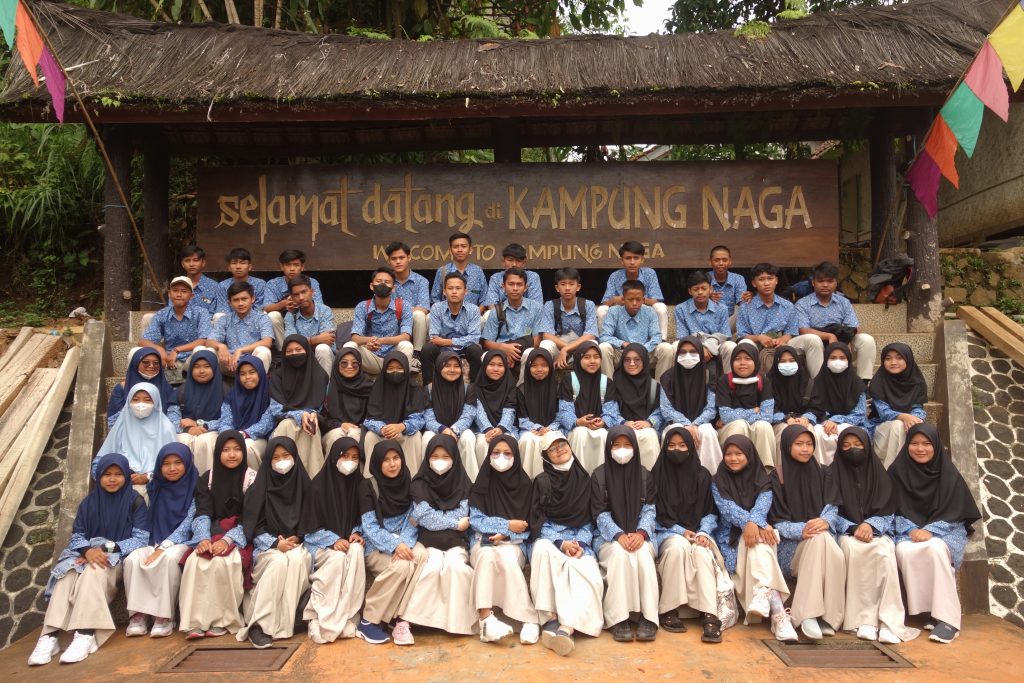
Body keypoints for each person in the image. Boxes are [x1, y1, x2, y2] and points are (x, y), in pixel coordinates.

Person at [28, 453, 149, 666]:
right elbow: (77, 535)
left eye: (118, 474)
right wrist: (87, 551)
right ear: (99, 476)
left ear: (126, 476)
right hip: (86, 555)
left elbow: (141, 538)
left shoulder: (135, 501)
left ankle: (85, 633)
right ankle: (49, 636)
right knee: (67, 574)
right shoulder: (88, 503)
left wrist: (103, 549)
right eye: (107, 474)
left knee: (94, 571)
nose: (112, 479)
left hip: (117, 558)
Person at [889, 424, 981, 644]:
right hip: (907, 531)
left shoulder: (948, 474)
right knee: (904, 551)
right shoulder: (896, 472)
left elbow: (957, 513)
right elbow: (887, 509)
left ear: (936, 446)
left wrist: (930, 530)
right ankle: (931, 612)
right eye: (914, 443)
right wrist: (911, 529)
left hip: (945, 531)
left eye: (926, 444)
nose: (920, 449)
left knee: (935, 549)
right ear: (907, 445)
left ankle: (949, 620)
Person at [831, 427, 919, 644]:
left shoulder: (881, 475)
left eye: (858, 444)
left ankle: (889, 621)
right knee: (852, 550)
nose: (852, 449)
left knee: (884, 552)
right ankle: (864, 621)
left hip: (877, 533)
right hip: (847, 533)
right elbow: (830, 511)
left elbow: (890, 509)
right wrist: (853, 527)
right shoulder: (832, 475)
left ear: (867, 446)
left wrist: (871, 525)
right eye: (846, 446)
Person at [710, 436, 796, 641]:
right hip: (729, 538)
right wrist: (755, 524)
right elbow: (727, 509)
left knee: (759, 543)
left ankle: (765, 597)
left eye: (739, 454)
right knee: (760, 542)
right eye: (728, 454)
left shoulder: (763, 478)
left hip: (755, 534)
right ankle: (778, 614)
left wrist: (754, 524)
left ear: (749, 455)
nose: (733, 458)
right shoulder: (718, 480)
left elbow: (763, 504)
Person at [528, 434, 604, 656]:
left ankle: (566, 628)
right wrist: (561, 543)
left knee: (585, 569)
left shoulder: (585, 479)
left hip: (579, 539)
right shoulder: (542, 482)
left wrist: (579, 543)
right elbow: (537, 521)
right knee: (541, 550)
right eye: (552, 449)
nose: (559, 449)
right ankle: (551, 618)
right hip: (551, 538)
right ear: (546, 456)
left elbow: (591, 520)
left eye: (562, 444)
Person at [769, 425, 846, 641]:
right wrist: (802, 529)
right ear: (787, 446)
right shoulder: (776, 477)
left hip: (820, 540)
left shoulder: (824, 472)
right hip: (790, 549)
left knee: (822, 539)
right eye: (799, 444)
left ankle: (811, 615)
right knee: (823, 542)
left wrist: (824, 521)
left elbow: (832, 506)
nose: (805, 449)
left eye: (809, 444)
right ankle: (822, 616)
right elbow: (776, 521)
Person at [178, 431, 257, 639]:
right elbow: (202, 511)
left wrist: (227, 540)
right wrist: (203, 538)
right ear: (217, 453)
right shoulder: (208, 478)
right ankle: (195, 622)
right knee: (196, 561)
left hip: (240, 535)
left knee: (225, 562)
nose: (232, 454)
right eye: (226, 450)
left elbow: (251, 517)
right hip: (212, 532)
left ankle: (222, 620)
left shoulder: (252, 479)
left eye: (237, 449)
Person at [653, 428, 726, 643]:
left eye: (682, 445)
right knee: (678, 548)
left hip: (699, 531)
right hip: (666, 531)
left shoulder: (702, 475)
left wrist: (703, 532)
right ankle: (669, 609)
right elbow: (653, 516)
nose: (677, 450)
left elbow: (711, 511)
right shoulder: (655, 476)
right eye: (671, 446)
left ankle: (709, 614)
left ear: (691, 448)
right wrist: (680, 531)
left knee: (702, 553)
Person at [237, 437, 312, 649]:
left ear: (295, 457)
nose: (281, 461)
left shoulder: (305, 485)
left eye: (286, 456)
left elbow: (312, 519)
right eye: (276, 457)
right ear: (268, 461)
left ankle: (284, 624)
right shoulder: (258, 488)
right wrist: (274, 544)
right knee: (278, 562)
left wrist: (299, 536)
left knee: (297, 560)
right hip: (266, 547)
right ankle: (258, 625)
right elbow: (252, 526)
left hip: (296, 544)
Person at [401, 434, 478, 637]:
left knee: (457, 569)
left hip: (457, 543)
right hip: (428, 542)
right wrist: (455, 523)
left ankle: (457, 623)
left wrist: (439, 518)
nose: (440, 461)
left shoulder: (464, 482)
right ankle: (412, 621)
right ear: (427, 458)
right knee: (431, 568)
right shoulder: (418, 484)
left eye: (445, 456)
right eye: (434, 456)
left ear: (454, 458)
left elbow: (464, 513)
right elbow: (425, 518)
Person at [469, 436, 541, 644]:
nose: (501, 457)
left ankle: (528, 619)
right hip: (483, 540)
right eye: (496, 453)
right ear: (489, 455)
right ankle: (486, 620)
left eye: (507, 453)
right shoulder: (481, 483)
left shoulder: (526, 485)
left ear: (516, 456)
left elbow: (529, 525)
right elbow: (476, 520)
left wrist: (508, 534)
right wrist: (506, 525)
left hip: (514, 543)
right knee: (486, 555)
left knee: (507, 559)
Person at [591, 426, 659, 642]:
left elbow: (650, 509)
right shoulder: (599, 475)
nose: (622, 450)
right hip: (607, 538)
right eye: (617, 445)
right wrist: (618, 535)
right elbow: (599, 512)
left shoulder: (645, 475)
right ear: (609, 448)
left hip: (641, 535)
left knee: (643, 556)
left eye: (627, 445)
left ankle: (648, 617)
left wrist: (640, 533)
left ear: (635, 448)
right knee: (620, 555)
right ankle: (618, 619)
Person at [123, 443, 198, 638]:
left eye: (178, 463)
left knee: (168, 559)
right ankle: (138, 615)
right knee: (132, 559)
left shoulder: (196, 487)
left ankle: (164, 616)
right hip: (153, 538)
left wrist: (164, 546)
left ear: (187, 463)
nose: (172, 468)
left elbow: (188, 524)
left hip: (183, 542)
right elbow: (149, 477)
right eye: (166, 464)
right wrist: (156, 546)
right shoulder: (156, 486)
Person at [356, 441, 426, 646]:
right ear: (378, 463)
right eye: (386, 460)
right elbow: (369, 526)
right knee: (402, 566)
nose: (393, 464)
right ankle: (368, 620)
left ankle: (400, 618)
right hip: (376, 544)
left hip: (405, 537)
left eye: (396, 458)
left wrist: (403, 543)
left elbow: (413, 518)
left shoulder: (408, 481)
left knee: (422, 555)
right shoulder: (368, 486)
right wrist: (395, 546)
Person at [298, 438, 368, 643]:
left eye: (355, 458)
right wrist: (333, 540)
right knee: (337, 559)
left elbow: (364, 517)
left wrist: (356, 532)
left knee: (356, 551)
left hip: (347, 542)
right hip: (320, 544)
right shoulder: (318, 486)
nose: (350, 462)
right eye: (345, 456)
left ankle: (348, 616)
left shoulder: (359, 484)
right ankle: (319, 616)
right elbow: (309, 529)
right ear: (334, 457)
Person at [726, 263, 822, 377]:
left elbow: (791, 331)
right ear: (754, 283)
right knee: (744, 343)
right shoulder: (746, 307)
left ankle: (818, 381)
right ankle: (747, 384)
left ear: (776, 280)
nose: (766, 283)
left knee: (813, 339)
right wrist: (759, 338)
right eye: (761, 279)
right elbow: (742, 335)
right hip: (756, 343)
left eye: (770, 278)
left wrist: (783, 339)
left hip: (783, 342)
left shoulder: (787, 305)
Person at [795, 261, 876, 381]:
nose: (825, 285)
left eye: (829, 281)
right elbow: (803, 330)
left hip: (841, 342)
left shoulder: (844, 302)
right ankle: (819, 384)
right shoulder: (802, 304)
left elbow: (854, 327)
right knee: (813, 339)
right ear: (813, 282)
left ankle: (863, 382)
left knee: (866, 339)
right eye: (820, 281)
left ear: (836, 282)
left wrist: (845, 340)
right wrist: (830, 336)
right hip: (814, 347)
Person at [96, 383, 178, 497]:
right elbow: (99, 462)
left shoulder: (166, 428)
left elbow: (174, 465)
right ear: (128, 402)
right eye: (135, 400)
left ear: (156, 402)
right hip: (122, 478)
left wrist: (148, 477)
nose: (141, 404)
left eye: (147, 400)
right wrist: (120, 477)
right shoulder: (121, 425)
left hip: (158, 481)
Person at [659, 336, 723, 473]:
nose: (687, 356)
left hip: (702, 422)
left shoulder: (708, 375)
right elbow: (666, 409)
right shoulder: (667, 377)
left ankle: (710, 478)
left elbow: (711, 408)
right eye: (683, 352)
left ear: (700, 353)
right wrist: (687, 424)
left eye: (693, 352)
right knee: (675, 431)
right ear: (677, 354)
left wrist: (695, 424)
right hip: (675, 422)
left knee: (706, 432)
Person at [269, 335, 328, 475]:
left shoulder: (319, 375)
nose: (294, 354)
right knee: (289, 424)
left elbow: (321, 408)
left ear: (307, 350)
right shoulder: (277, 377)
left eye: (298, 349)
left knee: (311, 425)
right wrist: (299, 415)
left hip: (313, 423)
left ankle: (312, 480)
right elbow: (276, 409)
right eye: (289, 351)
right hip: (284, 423)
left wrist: (311, 415)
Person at [716, 341, 778, 469]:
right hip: (731, 429)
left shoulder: (763, 381)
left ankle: (765, 471)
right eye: (737, 359)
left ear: (755, 361)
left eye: (748, 359)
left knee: (764, 426)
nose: (742, 363)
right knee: (740, 424)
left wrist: (736, 415)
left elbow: (767, 416)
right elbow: (726, 416)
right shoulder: (724, 381)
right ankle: (733, 469)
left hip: (755, 427)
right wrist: (753, 411)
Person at [137, 276, 212, 380]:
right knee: (135, 352)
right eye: (175, 290)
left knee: (201, 350)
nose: (179, 294)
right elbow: (143, 341)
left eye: (184, 291)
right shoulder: (162, 314)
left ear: (192, 296)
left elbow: (204, 340)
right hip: (168, 359)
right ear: (169, 294)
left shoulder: (201, 313)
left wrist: (177, 350)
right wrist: (159, 349)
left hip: (192, 360)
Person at [213, 356, 281, 469]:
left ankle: (254, 480)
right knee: (213, 443)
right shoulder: (232, 395)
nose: (247, 377)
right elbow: (225, 420)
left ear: (260, 373)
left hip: (260, 438)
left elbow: (266, 423)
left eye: (252, 372)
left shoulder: (270, 393)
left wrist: (244, 434)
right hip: (234, 436)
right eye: (242, 374)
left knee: (247, 447)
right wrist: (230, 436)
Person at [363, 351, 426, 472]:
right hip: (382, 433)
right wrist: (383, 429)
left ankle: (413, 479)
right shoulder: (378, 388)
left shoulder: (414, 389)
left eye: (399, 368)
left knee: (416, 436)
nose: (395, 372)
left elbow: (419, 418)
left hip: (405, 433)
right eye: (390, 369)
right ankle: (371, 480)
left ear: (406, 369)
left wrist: (402, 426)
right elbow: (369, 418)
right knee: (370, 436)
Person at [557, 341, 615, 473]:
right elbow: (564, 411)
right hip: (575, 428)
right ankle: (579, 478)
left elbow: (612, 411)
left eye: (596, 357)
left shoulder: (606, 382)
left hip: (599, 427)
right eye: (587, 357)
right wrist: (578, 422)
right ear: (579, 359)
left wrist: (603, 422)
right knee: (581, 433)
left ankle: (600, 480)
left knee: (602, 435)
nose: (592, 361)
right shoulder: (569, 380)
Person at [345, 266, 415, 375]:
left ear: (393, 288)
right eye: (378, 281)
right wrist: (369, 340)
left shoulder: (404, 306)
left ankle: (401, 380)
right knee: (349, 346)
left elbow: (406, 336)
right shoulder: (362, 306)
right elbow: (355, 337)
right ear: (371, 286)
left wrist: (381, 341)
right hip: (371, 357)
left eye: (387, 282)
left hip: (395, 359)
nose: (382, 284)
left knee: (406, 345)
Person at [597, 280, 673, 379]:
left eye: (638, 299)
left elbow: (657, 336)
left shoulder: (650, 312)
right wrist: (624, 344)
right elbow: (604, 336)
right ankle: (608, 385)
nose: (634, 303)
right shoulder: (613, 312)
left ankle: (661, 387)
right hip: (622, 353)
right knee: (603, 347)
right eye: (630, 299)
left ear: (643, 299)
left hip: (645, 352)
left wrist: (642, 349)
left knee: (666, 348)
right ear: (623, 299)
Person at [869, 342, 928, 468]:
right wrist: (904, 417)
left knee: (913, 426)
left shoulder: (917, 381)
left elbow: (918, 408)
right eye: (888, 358)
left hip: (906, 426)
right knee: (898, 425)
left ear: (908, 359)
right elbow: (883, 412)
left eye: (899, 358)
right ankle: (893, 471)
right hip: (880, 428)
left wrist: (915, 419)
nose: (893, 362)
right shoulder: (878, 381)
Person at [809, 342, 868, 465]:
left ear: (848, 360)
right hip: (823, 423)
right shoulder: (818, 383)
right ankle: (822, 471)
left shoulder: (857, 384)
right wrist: (827, 422)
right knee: (818, 432)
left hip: (852, 423)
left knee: (846, 431)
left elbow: (860, 414)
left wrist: (836, 420)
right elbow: (815, 408)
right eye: (833, 358)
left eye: (842, 358)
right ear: (826, 360)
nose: (837, 361)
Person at [421, 271, 483, 385]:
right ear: (444, 291)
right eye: (450, 288)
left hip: (465, 348)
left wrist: (447, 341)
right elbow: (434, 337)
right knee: (427, 349)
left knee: (476, 350)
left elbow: (474, 338)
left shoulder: (473, 309)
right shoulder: (437, 308)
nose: (454, 292)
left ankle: (475, 389)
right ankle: (428, 387)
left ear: (465, 291)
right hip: (442, 349)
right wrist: (447, 343)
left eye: (458, 288)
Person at [606, 344, 663, 468]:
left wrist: (649, 422)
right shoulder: (614, 385)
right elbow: (610, 410)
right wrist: (623, 422)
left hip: (646, 428)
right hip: (621, 428)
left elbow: (660, 411)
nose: (632, 363)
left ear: (644, 361)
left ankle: (650, 478)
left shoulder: (654, 386)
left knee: (649, 435)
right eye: (627, 360)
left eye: (637, 359)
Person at [422, 350, 477, 476]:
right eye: (447, 366)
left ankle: (470, 480)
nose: (452, 370)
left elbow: (468, 415)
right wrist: (442, 429)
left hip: (460, 429)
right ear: (438, 367)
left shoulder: (468, 388)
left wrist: (453, 430)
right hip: (436, 429)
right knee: (427, 438)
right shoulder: (429, 389)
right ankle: (426, 480)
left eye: (456, 366)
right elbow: (428, 418)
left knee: (468, 437)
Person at [481, 267, 542, 379]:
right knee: (485, 356)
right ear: (503, 286)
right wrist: (503, 348)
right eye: (511, 284)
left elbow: (537, 339)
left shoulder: (536, 308)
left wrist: (515, 354)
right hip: (502, 349)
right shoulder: (496, 311)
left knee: (529, 353)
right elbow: (487, 342)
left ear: (525, 287)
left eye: (519, 284)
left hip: (525, 349)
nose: (515, 288)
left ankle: (522, 387)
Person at [466, 350, 519, 480]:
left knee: (509, 442)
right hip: (483, 429)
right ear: (485, 366)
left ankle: (506, 481)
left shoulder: (510, 385)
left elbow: (510, 409)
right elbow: (478, 411)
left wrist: (500, 428)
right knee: (482, 443)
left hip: (506, 428)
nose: (495, 369)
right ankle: (482, 481)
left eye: (500, 365)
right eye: (491, 364)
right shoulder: (475, 387)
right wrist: (488, 429)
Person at [598, 241, 668, 339]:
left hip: (644, 312)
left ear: (642, 259)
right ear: (622, 260)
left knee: (661, 307)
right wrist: (615, 300)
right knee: (601, 310)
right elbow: (605, 303)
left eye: (636, 258)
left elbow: (656, 300)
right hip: (621, 313)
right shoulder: (615, 276)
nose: (632, 262)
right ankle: (605, 340)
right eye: (628, 258)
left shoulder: (650, 273)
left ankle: (661, 340)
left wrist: (636, 299)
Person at [669, 270, 730, 381]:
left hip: (716, 345)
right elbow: (683, 336)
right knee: (675, 346)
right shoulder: (681, 309)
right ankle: (676, 382)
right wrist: (699, 348)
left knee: (730, 346)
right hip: (691, 345)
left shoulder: (722, 308)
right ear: (690, 291)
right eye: (696, 289)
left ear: (710, 289)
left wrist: (707, 347)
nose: (700, 292)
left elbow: (724, 335)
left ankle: (728, 383)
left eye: (704, 288)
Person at [536, 267, 598, 371]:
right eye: (563, 284)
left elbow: (591, 334)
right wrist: (565, 348)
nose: (567, 288)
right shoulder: (550, 305)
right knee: (545, 344)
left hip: (581, 348)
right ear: (557, 288)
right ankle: (546, 376)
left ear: (578, 287)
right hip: (559, 348)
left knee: (593, 344)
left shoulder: (588, 305)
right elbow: (546, 334)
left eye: (571, 284)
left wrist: (567, 349)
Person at [174, 350, 225, 473]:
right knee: (182, 440)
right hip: (186, 430)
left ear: (214, 367)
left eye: (206, 366)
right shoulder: (181, 391)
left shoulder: (226, 390)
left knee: (205, 441)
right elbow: (172, 417)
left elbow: (229, 419)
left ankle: (205, 480)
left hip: (214, 430)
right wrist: (188, 429)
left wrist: (201, 425)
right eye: (196, 367)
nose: (201, 371)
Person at [516, 348, 564, 478]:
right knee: (527, 440)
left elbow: (561, 416)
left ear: (550, 367)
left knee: (554, 440)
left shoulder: (558, 387)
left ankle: (553, 483)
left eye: (544, 365)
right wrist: (538, 428)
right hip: (529, 430)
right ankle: (528, 481)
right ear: (528, 367)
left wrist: (549, 429)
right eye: (534, 366)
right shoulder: (521, 390)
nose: (539, 369)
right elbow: (521, 418)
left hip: (553, 428)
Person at [263, 248, 325, 350]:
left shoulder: (312, 282)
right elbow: (266, 308)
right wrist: (284, 304)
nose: (292, 269)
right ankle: (284, 350)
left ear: (302, 267)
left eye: (296, 265)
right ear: (281, 266)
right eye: (288, 265)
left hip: (306, 322)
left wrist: (301, 303)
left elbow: (320, 306)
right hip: (282, 325)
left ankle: (305, 347)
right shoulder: (273, 284)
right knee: (273, 316)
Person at [208, 280, 273, 374]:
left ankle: (258, 383)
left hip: (252, 365)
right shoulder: (224, 319)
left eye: (244, 299)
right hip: (228, 363)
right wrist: (221, 346)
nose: (240, 303)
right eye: (235, 300)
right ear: (229, 302)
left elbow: (267, 342)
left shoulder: (262, 318)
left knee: (264, 351)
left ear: (253, 299)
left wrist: (241, 350)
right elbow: (209, 342)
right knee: (207, 350)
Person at [108, 348, 178, 429]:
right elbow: (113, 421)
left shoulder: (166, 388)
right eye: (146, 362)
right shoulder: (122, 388)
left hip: (160, 431)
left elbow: (173, 418)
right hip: (129, 432)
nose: (151, 366)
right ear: (136, 363)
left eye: (156, 363)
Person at [320, 347, 373, 454]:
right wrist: (340, 425)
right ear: (337, 364)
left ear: (360, 365)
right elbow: (322, 419)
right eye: (344, 363)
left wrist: (359, 427)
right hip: (333, 430)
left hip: (360, 430)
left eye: (354, 363)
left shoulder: (369, 387)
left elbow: (373, 415)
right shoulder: (327, 388)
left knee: (354, 435)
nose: (349, 367)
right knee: (336, 436)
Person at [767, 345, 818, 451]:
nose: (787, 364)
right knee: (784, 431)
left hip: (802, 419)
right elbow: (767, 407)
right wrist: (786, 418)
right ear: (776, 363)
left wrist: (805, 418)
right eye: (783, 361)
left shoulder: (807, 382)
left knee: (808, 431)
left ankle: (812, 462)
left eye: (791, 360)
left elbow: (816, 406)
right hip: (779, 422)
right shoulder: (769, 383)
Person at [283, 275, 336, 375]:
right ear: (291, 297)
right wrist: (314, 340)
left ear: (312, 292)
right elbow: (290, 343)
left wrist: (302, 342)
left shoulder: (324, 311)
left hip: (324, 358)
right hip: (300, 358)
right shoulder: (290, 316)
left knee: (322, 348)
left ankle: (324, 384)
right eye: (296, 294)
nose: (301, 297)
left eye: (304, 292)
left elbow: (327, 339)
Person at [385, 241, 432, 352]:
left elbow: (424, 308)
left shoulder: (421, 281)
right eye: (394, 259)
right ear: (389, 261)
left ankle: (418, 352)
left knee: (419, 315)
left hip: (414, 322)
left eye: (401, 258)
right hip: (391, 322)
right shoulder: (385, 281)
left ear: (409, 258)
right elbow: (382, 306)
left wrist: (402, 312)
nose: (398, 261)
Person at [430, 231, 488, 307]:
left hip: (474, 314)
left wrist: (475, 313)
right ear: (450, 250)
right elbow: (435, 299)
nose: (459, 250)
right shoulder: (442, 271)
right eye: (455, 246)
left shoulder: (478, 271)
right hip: (446, 314)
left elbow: (484, 299)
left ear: (470, 250)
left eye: (463, 246)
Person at [483, 243, 543, 308]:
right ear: (503, 261)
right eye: (510, 260)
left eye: (518, 261)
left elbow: (537, 306)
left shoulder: (533, 277)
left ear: (524, 262)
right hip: (501, 314)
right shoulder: (495, 278)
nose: (514, 264)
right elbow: (492, 306)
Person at [707, 244, 752, 319]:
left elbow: (742, 303)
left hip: (731, 320)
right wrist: (706, 298)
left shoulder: (738, 279)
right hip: (708, 319)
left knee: (745, 310)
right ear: (710, 261)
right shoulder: (704, 278)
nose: (721, 263)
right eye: (717, 260)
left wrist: (747, 298)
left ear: (730, 261)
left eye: (724, 260)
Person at [217, 247, 268, 314]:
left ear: (249, 267)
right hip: (229, 319)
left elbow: (259, 308)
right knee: (218, 315)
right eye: (234, 263)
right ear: (229, 267)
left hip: (255, 318)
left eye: (242, 263)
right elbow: (223, 309)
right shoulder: (223, 285)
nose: (238, 267)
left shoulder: (260, 284)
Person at [178, 245, 224, 318]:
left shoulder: (214, 287)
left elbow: (218, 316)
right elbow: (173, 313)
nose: (191, 264)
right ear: (182, 264)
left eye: (196, 260)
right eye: (187, 260)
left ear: (203, 263)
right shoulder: (177, 286)